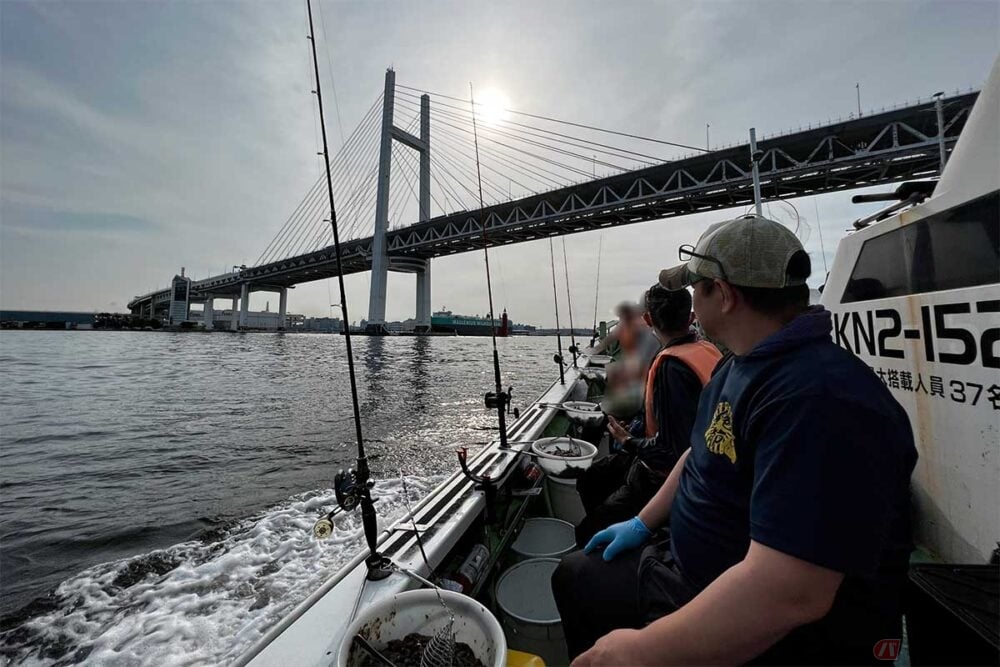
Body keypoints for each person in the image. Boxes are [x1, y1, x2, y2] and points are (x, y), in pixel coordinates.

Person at [552, 214, 917, 665]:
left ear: (722, 295)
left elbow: (792, 594)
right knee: (576, 577)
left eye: (695, 288)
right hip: (687, 562)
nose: (690, 303)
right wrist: (643, 522)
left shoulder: (820, 400)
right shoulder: (739, 363)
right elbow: (698, 451)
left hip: (762, 619)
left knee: (580, 584)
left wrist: (640, 651)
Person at [575, 284, 720, 546]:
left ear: (648, 319)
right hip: (702, 464)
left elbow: (672, 451)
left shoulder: (672, 368)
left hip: (666, 478)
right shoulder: (708, 351)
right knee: (590, 477)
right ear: (691, 318)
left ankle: (614, 550)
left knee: (587, 531)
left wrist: (628, 441)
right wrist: (635, 429)